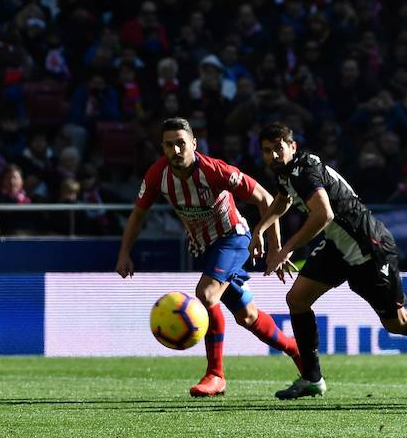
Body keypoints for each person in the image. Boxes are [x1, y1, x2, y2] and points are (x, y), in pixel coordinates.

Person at [250, 122, 407, 400]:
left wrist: (286, 248)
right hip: (338, 247)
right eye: (267, 151)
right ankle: (312, 378)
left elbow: (323, 215)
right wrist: (260, 228)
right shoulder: (288, 172)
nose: (273, 155)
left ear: (292, 147)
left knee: (396, 323)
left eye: (278, 149)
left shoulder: (305, 172)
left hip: (368, 247)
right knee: (297, 300)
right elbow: (285, 199)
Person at [115, 117, 300, 397]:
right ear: (162, 148)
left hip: (234, 238)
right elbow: (138, 214)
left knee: (207, 294)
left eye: (181, 144)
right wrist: (124, 253)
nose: (176, 151)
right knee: (247, 317)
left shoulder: (216, 171)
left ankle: (215, 374)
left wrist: (275, 246)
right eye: (169, 145)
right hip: (205, 248)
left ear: (193, 143)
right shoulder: (157, 175)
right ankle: (296, 350)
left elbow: (264, 198)